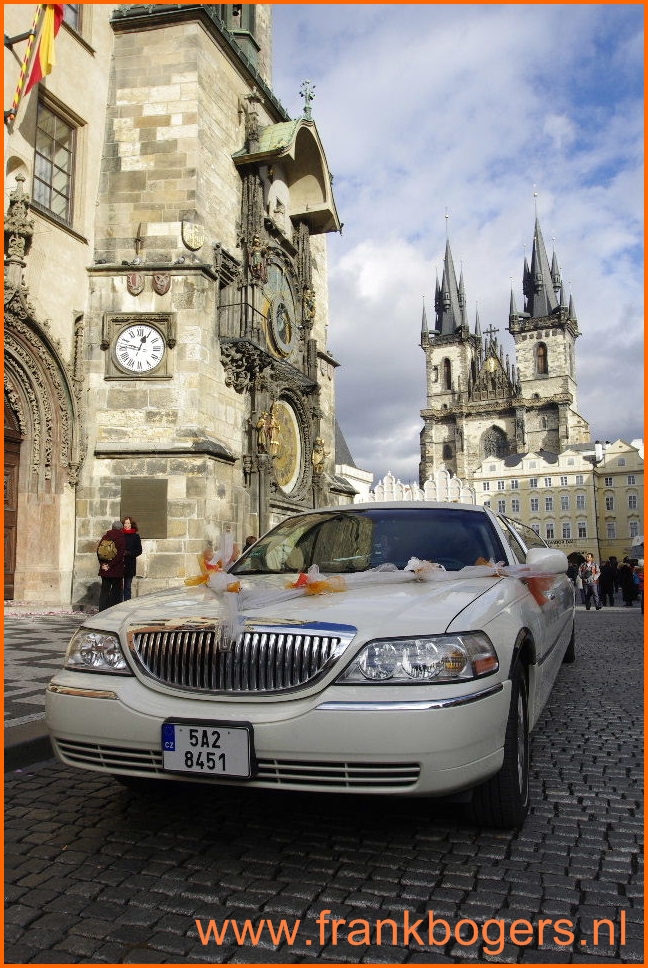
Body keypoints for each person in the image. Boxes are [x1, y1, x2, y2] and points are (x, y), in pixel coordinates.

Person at [97, 520, 126, 611]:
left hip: (105, 570)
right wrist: (110, 565)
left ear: (112, 527)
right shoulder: (121, 538)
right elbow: (120, 555)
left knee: (104, 591)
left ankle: (102, 610)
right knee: (116, 591)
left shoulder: (106, 536)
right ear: (121, 529)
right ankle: (112, 610)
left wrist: (103, 565)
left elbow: (99, 552)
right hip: (116, 570)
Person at [121, 515, 143, 601]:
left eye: (128, 523)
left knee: (127, 586)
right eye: (125, 523)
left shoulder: (135, 536)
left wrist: (129, 553)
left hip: (130, 564)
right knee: (119, 587)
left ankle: (126, 603)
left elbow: (139, 551)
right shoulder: (120, 535)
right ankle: (118, 604)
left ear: (131, 524)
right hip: (120, 564)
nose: (127, 525)